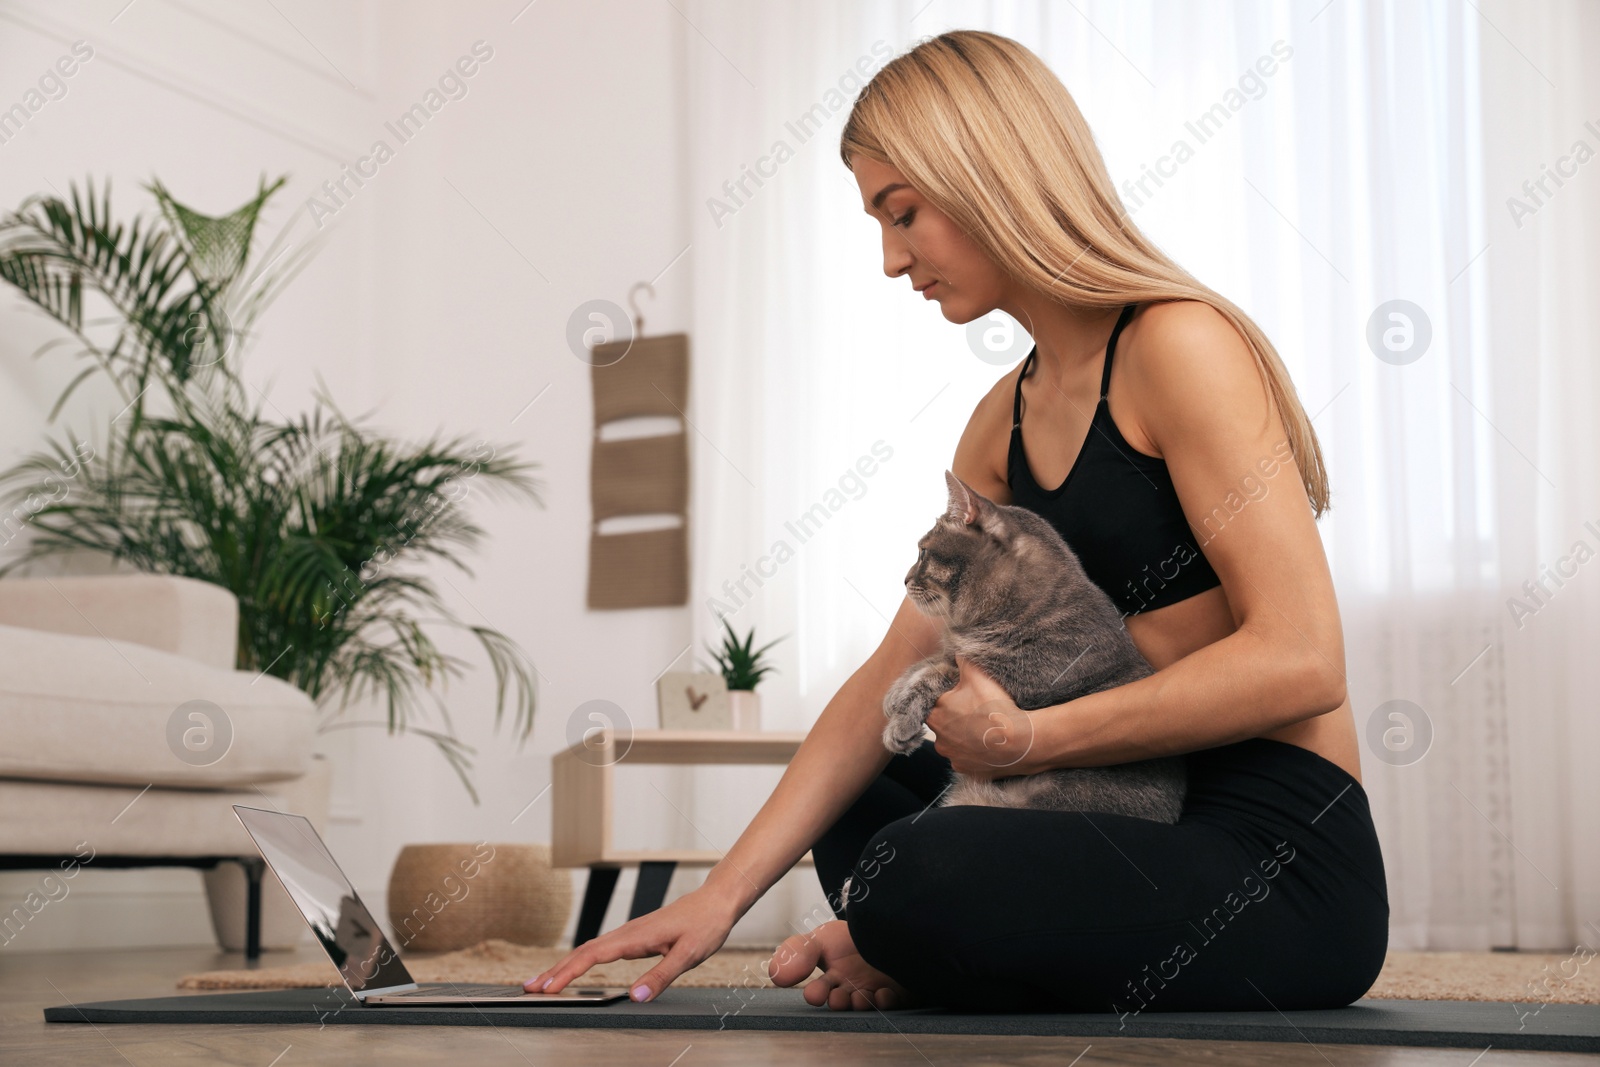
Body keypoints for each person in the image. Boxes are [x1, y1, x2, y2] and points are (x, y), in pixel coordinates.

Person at [526, 29, 1388, 1013]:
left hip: (1268, 856)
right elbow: (889, 674)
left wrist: (1028, 739)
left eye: (902, 214)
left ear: (989, 175)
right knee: (869, 806)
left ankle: (909, 932)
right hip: (1120, 817)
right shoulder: (999, 424)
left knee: (918, 869)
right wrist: (717, 898)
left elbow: (1303, 658)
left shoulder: (1177, 347)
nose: (892, 260)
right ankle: (913, 936)